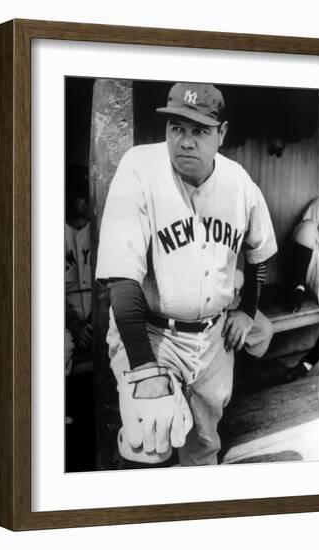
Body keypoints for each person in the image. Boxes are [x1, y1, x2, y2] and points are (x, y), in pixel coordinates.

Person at [96, 82, 277, 466]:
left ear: (221, 133)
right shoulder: (140, 168)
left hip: (212, 340)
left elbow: (259, 251)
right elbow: (122, 278)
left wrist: (247, 310)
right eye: (177, 127)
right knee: (149, 441)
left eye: (199, 130)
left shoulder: (239, 181)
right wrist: (145, 369)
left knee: (203, 448)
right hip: (151, 331)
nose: (186, 141)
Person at [286, 197, 319, 379]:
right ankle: (297, 287)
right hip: (317, 264)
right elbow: (301, 235)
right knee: (307, 227)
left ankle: (307, 364)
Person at [65, 164, 93, 374]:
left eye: (88, 193)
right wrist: (74, 325)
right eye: (80, 195)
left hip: (97, 321)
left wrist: (93, 323)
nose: (86, 200)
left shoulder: (100, 230)